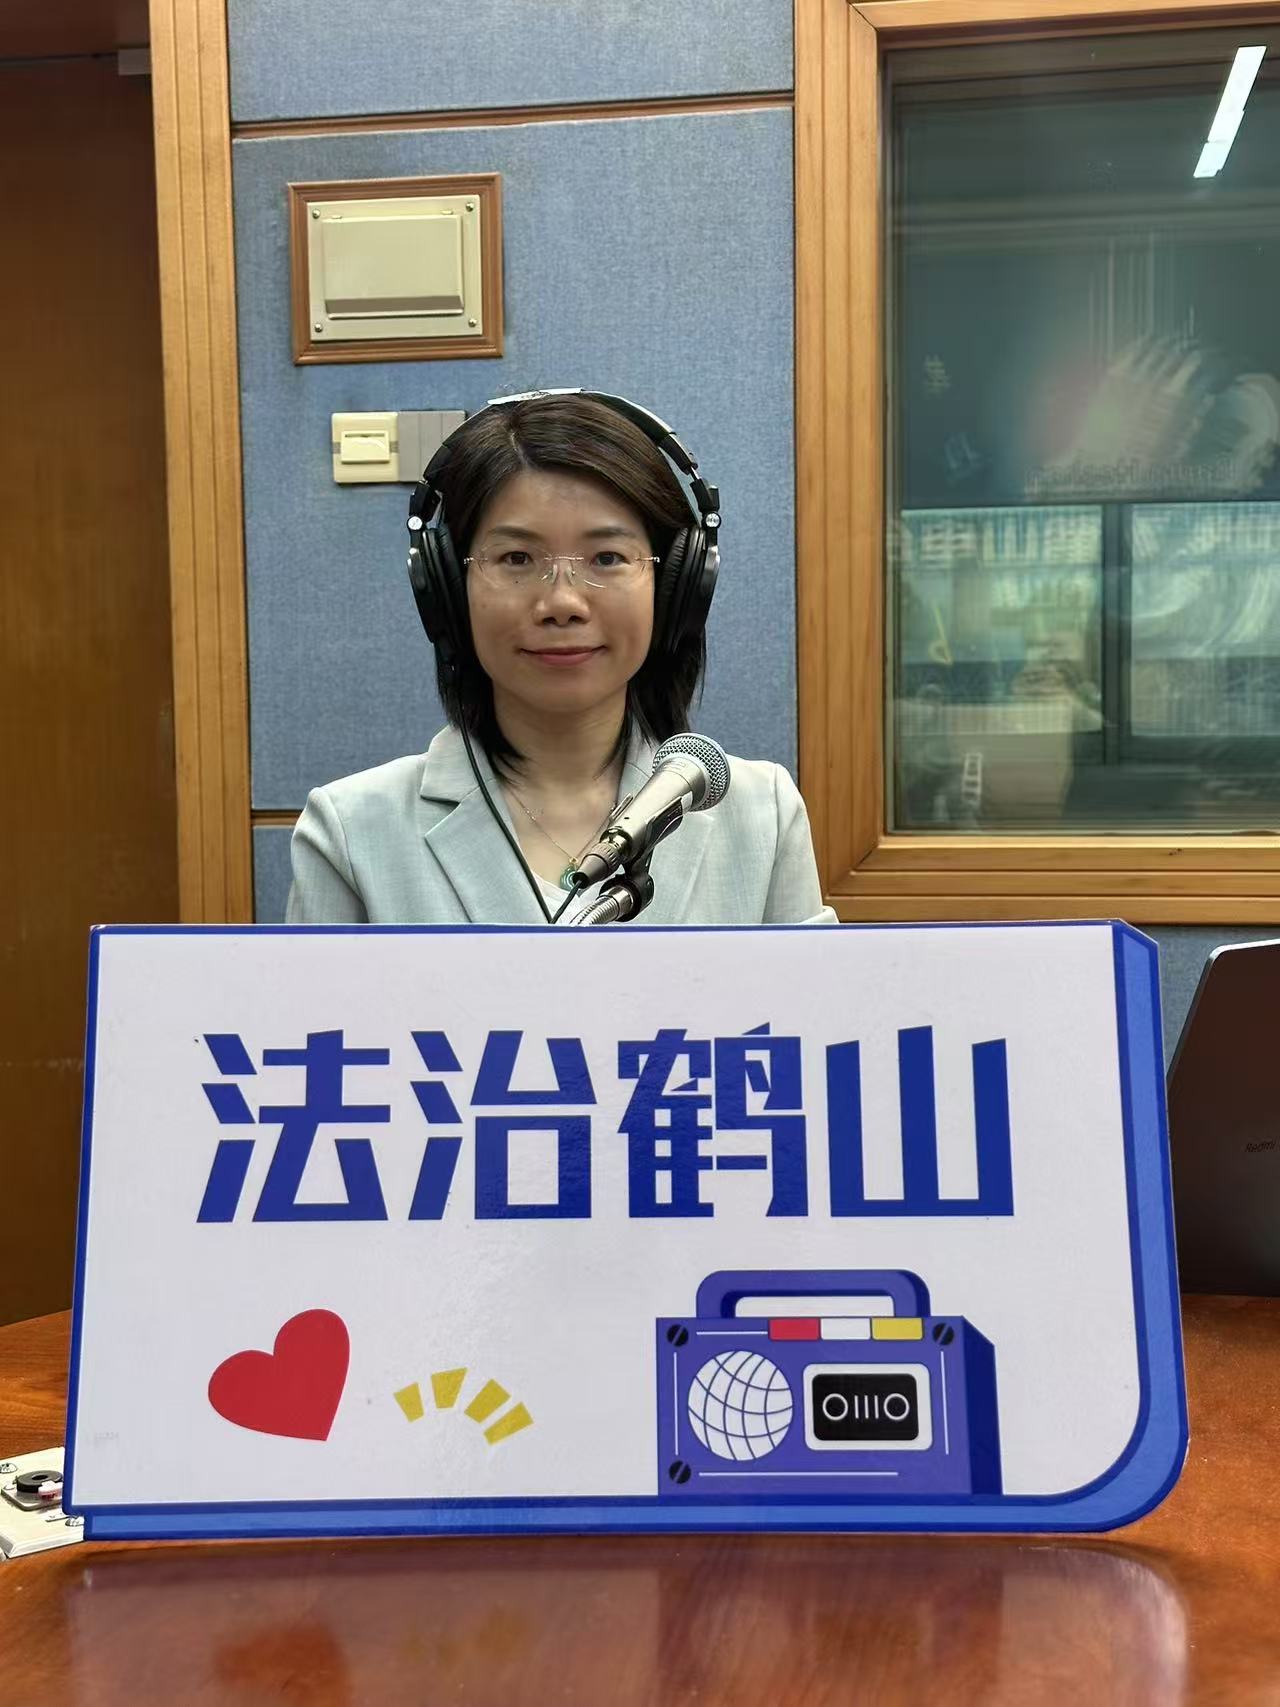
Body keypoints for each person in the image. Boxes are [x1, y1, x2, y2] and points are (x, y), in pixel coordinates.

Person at [285, 390, 835, 926]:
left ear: (675, 587)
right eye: (516, 558)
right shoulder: (351, 832)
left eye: (608, 557)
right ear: (449, 588)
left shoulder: (763, 816)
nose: (562, 603)